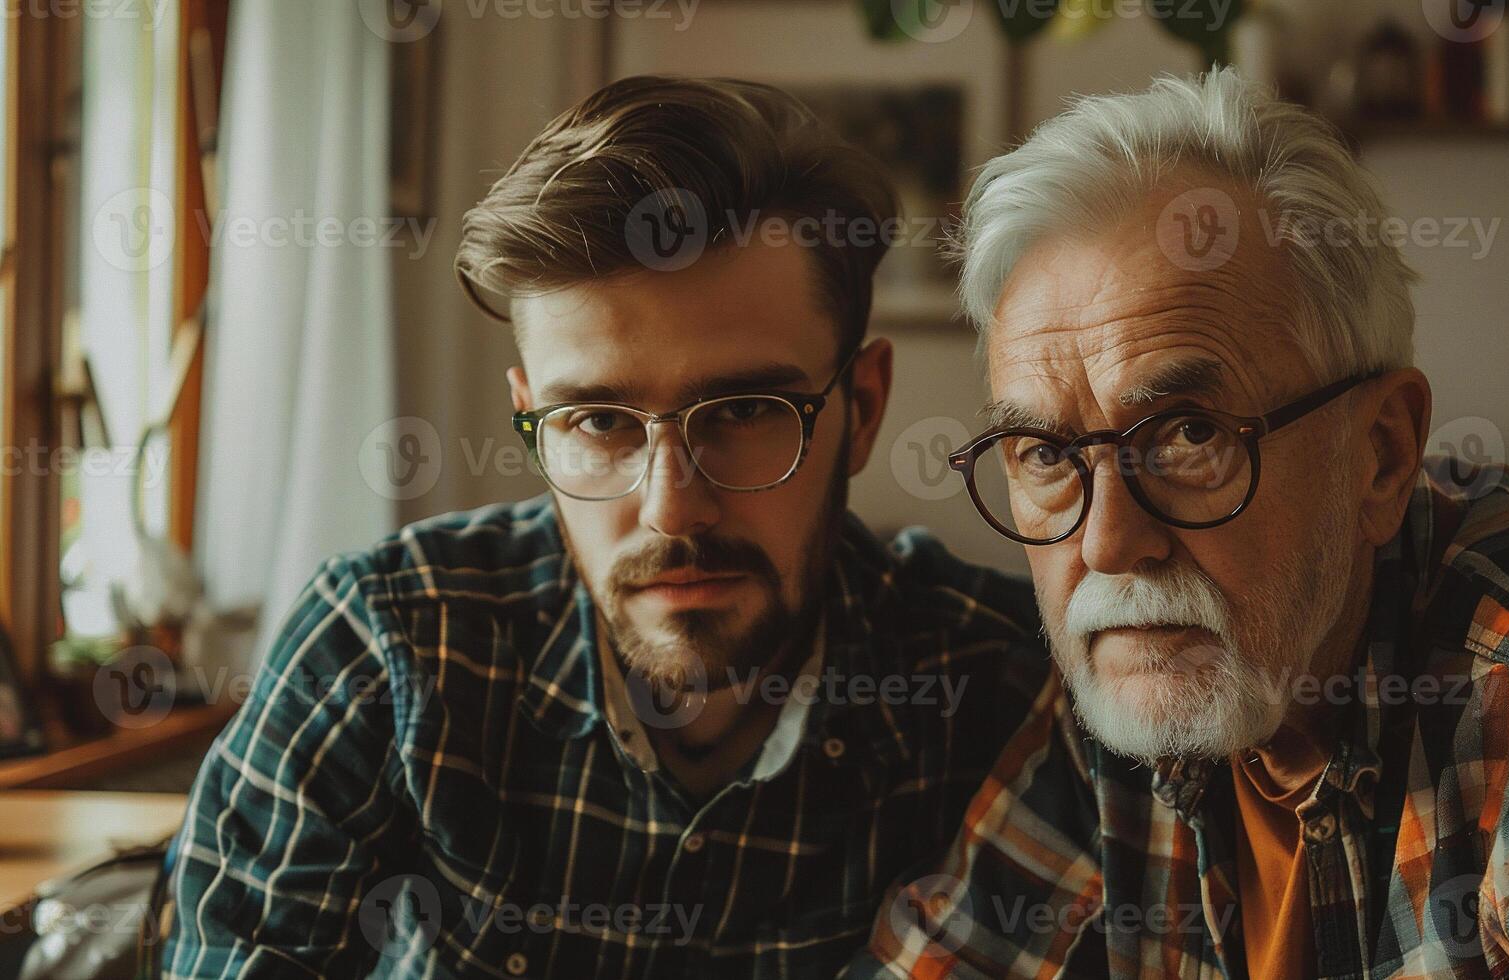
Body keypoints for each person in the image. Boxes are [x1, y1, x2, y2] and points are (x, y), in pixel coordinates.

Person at [856, 69, 1509, 977]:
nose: (1106, 545)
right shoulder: (1126, 680)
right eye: (1045, 454)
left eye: (1188, 434)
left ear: (1381, 454)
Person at [163, 76, 1047, 978]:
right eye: (596, 422)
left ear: (860, 409)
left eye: (742, 412)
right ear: (529, 415)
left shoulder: (999, 687)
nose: (671, 507)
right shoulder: (387, 645)